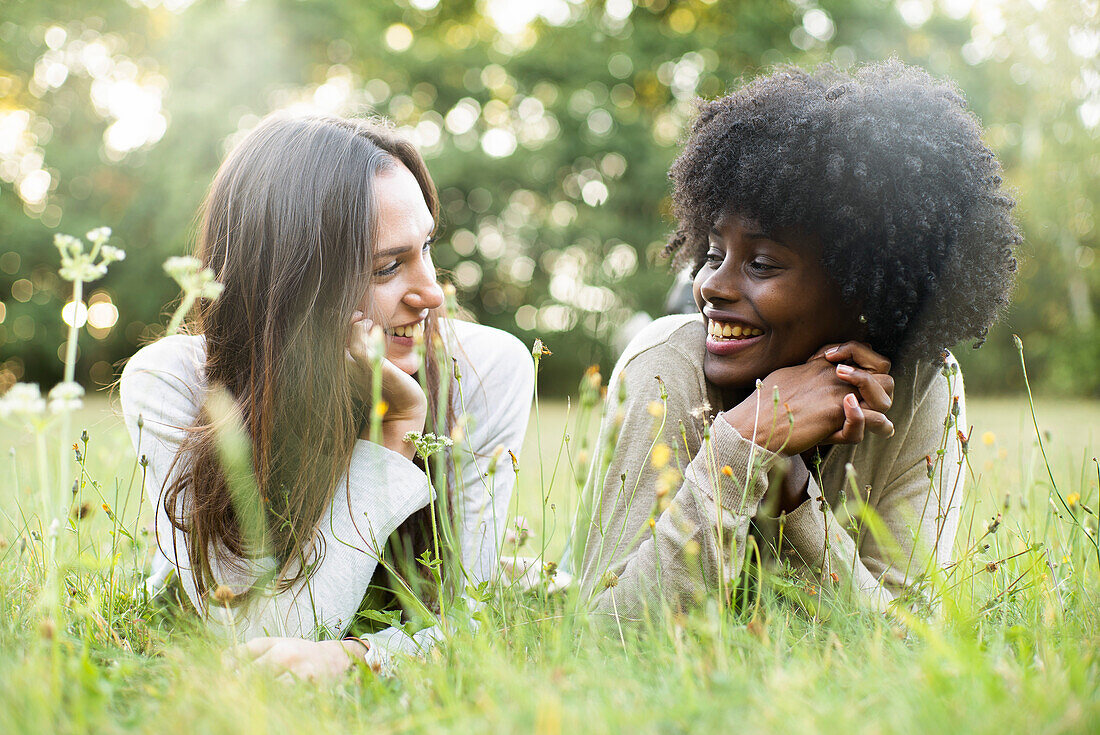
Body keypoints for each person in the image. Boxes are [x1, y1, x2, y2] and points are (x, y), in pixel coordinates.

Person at [573, 61, 1019, 623]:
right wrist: (739, 447)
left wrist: (791, 489)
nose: (708, 283)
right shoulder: (666, 364)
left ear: (862, 288)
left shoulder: (923, 385)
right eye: (712, 253)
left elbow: (907, 639)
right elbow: (607, 632)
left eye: (761, 263)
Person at [120, 114, 534, 677]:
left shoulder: (484, 368)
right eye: (387, 267)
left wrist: (364, 658)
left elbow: (473, 614)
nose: (433, 293)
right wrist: (395, 429)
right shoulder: (175, 382)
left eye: (427, 248)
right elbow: (258, 637)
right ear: (290, 286)